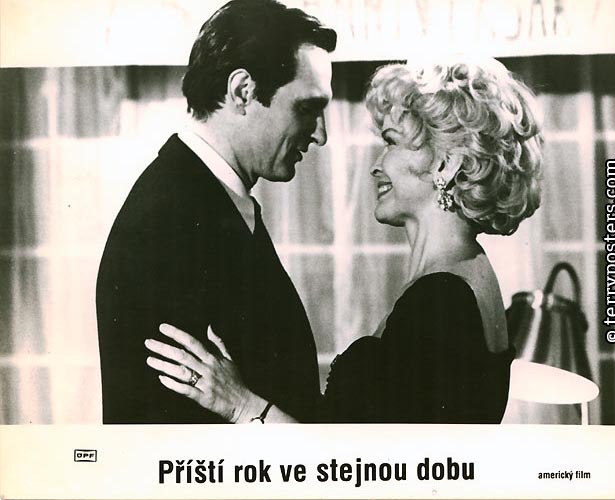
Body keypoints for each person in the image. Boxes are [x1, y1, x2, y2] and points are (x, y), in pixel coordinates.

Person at [144, 56, 544, 423]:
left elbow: (368, 467)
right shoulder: (462, 275)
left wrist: (241, 404)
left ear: (446, 164)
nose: (376, 166)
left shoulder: (441, 299)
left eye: (391, 142)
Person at [96, 0, 336, 423]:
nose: (320, 135)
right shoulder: (166, 225)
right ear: (243, 91)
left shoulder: (204, 200)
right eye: (306, 108)